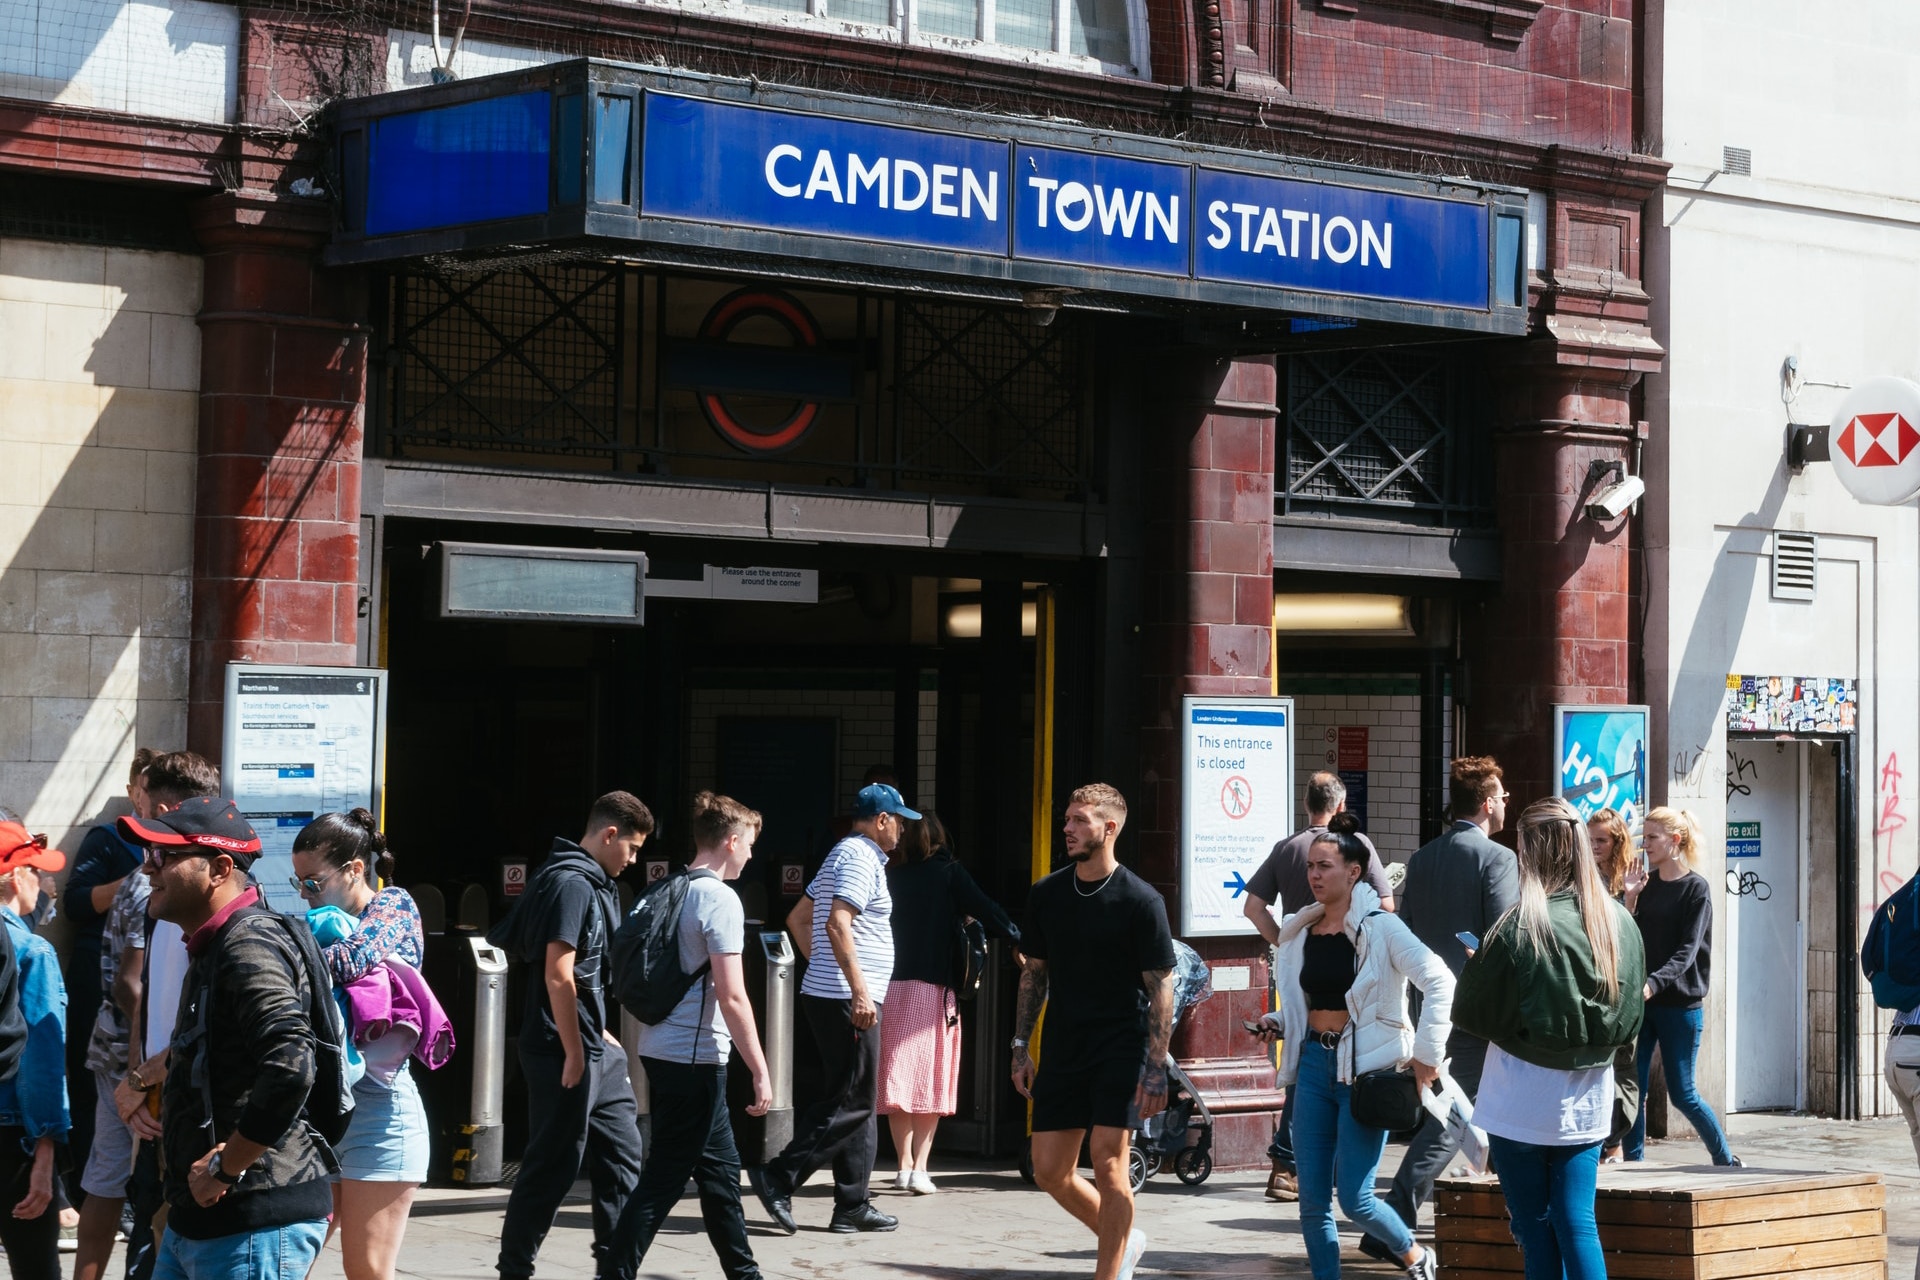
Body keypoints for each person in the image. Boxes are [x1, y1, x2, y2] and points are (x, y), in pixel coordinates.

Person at [116, 796, 333, 1280]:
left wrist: (226, 1168)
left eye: (164, 856)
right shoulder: (215, 943)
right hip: (198, 1221)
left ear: (219, 868)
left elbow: (292, 1064)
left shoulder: (248, 944)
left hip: (251, 1222)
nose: (149, 870)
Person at [1452, 798, 1645, 1280]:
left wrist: (1479, 967)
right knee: (1578, 1223)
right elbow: (1632, 1015)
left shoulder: (1519, 925)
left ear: (1529, 851)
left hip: (1520, 1096)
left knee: (1535, 1228)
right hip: (1588, 1096)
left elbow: (1473, 1013)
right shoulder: (1619, 921)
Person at [1256, 814, 1447, 1280]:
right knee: (1312, 1201)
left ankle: (1414, 1256)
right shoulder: (1300, 931)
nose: (1314, 876)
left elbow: (1439, 980)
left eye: (1325, 866)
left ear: (1354, 872)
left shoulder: (1381, 928)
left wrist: (1426, 1055)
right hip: (1314, 1066)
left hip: (1366, 1075)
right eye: (1311, 867)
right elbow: (1312, 1000)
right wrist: (1278, 1020)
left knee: (1356, 1198)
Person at [607, 793, 773, 1280]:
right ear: (731, 840)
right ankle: (614, 1273)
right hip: (695, 1059)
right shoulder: (720, 899)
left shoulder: (670, 887)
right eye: (750, 846)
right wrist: (761, 1071)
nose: (751, 856)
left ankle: (745, 1274)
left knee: (721, 1177)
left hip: (665, 1050)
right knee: (662, 1181)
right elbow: (732, 995)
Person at [1011, 784, 1174, 1280]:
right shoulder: (1047, 893)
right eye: (1067, 819)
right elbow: (1034, 973)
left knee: (1108, 1164)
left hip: (1120, 1048)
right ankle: (1124, 1237)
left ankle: (1108, 1273)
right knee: (1049, 1171)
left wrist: (1155, 1067)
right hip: (1064, 1044)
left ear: (1110, 828)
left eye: (1079, 820)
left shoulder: (1141, 900)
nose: (1068, 828)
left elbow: (1161, 987)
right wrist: (1021, 1047)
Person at [490, 793, 652, 1280]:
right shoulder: (571, 884)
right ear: (609, 835)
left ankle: (616, 1266)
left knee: (623, 1157)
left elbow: (587, 972)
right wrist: (576, 1052)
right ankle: (515, 1269)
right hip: (563, 1048)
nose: (634, 859)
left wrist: (600, 1032)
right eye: (633, 847)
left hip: (593, 1046)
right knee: (554, 1164)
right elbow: (557, 973)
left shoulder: (595, 883)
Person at [1365, 755, 1517, 1257]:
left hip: (1428, 1003)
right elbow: (1503, 940)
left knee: (1474, 1108)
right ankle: (1392, 1221)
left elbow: (1405, 934)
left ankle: (1507, 1211)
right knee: (1457, 1114)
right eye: (1503, 795)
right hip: (1475, 1010)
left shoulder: (1424, 856)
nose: (1507, 802)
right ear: (1489, 802)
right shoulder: (1497, 859)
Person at [748, 782, 914, 1235]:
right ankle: (779, 1176)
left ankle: (852, 1204)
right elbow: (837, 922)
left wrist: (823, 968)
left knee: (856, 1095)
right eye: (899, 820)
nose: (901, 829)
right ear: (882, 820)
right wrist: (856, 989)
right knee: (850, 1099)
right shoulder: (860, 858)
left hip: (832, 992)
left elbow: (799, 918)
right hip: (849, 998)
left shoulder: (842, 853)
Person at [1241, 771, 1394, 1201]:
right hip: (1344, 975)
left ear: (1306, 804)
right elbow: (1386, 905)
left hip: (1301, 973)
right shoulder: (1353, 847)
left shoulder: (1287, 847)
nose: (1316, 872)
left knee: (1304, 1055)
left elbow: (1254, 907)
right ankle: (1312, 1165)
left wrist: (1286, 942)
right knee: (1334, 1063)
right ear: (1341, 805)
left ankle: (1286, 1166)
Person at [291, 809, 429, 1280]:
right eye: (299, 885)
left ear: (354, 869)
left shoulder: (394, 906)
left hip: (381, 1116)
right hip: (324, 1112)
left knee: (367, 1269)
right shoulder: (322, 925)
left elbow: (350, 960)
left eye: (313, 883)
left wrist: (276, 960)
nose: (307, 896)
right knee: (290, 1261)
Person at [111, 752, 221, 1280]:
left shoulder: (217, 914)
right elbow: (145, 991)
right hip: (155, 1107)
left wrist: (141, 1079)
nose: (147, 863)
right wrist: (136, 1082)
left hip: (191, 1117)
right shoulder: (159, 893)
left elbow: (212, 1026)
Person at [879, 811, 1020, 1193]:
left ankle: (903, 1164)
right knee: (929, 1080)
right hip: (932, 988)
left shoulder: (889, 874)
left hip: (890, 988)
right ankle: (921, 1168)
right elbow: (987, 908)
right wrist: (1019, 936)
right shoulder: (948, 873)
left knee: (898, 1081)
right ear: (939, 838)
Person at [1622, 807, 1741, 1166]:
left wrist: (1652, 984)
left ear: (1675, 841)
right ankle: (1633, 1165)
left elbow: (1687, 952)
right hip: (1643, 1004)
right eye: (1644, 838)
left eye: (1653, 837)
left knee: (1683, 1094)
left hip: (1679, 1006)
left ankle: (1725, 1160)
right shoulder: (1647, 885)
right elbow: (1627, 939)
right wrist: (1629, 899)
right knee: (1633, 1090)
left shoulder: (1696, 889)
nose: (1646, 846)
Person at [61, 747, 153, 1208]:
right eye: (140, 789)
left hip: (146, 990)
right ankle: (82, 1187)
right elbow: (75, 903)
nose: (146, 800)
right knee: (91, 1089)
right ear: (131, 790)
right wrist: (139, 876)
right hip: (100, 979)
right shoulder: (108, 839)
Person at [0, 819, 71, 1280]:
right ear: (12, 878)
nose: (46, 883)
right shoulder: (30, 951)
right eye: (35, 870)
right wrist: (46, 1154)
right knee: (35, 1268)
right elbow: (43, 1062)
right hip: (14, 1135)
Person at [1586, 807, 1640, 1162]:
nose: (1594, 847)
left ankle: (1617, 1144)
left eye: (1601, 840)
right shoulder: (1584, 876)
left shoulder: (1629, 880)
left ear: (1618, 841)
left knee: (1623, 1067)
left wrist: (1631, 898)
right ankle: (1607, 1142)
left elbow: (1632, 935)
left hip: (1620, 983)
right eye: (1589, 840)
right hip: (1591, 980)